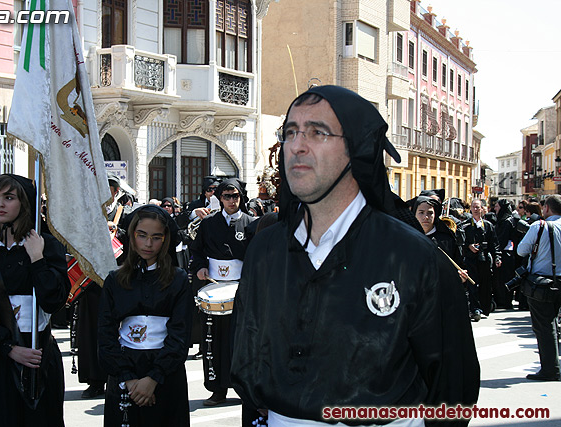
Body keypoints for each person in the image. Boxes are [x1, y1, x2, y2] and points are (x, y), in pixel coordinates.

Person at [231, 85, 479, 426]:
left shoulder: (413, 256)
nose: (297, 145)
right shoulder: (265, 249)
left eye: (318, 132)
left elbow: (453, 381)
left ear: (357, 148)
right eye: (290, 132)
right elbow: (247, 349)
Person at [0, 174, 68, 426]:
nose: (0, 204)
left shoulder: (46, 245)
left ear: (24, 204)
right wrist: (9, 349)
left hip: (40, 357)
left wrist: (37, 260)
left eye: (9, 198)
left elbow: (54, 301)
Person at [97, 205, 192, 426]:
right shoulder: (114, 279)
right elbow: (105, 334)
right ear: (131, 235)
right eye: (142, 236)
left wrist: (154, 378)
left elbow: (180, 335)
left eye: (156, 237)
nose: (148, 244)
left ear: (166, 239)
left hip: (166, 373)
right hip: (125, 369)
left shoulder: (178, 280)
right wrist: (128, 378)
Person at [190, 178, 255, 406]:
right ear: (219, 198)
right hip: (214, 287)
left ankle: (243, 387)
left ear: (241, 197)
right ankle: (217, 388)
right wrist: (199, 268)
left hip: (242, 290)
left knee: (241, 341)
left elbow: (257, 257)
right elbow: (196, 252)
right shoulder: (208, 224)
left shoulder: (251, 223)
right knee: (213, 341)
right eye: (226, 196)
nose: (231, 201)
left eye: (235, 196)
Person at [516, 195, 561, 381]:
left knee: (544, 326)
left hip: (542, 282)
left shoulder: (540, 226)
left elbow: (521, 250)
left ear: (547, 209)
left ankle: (550, 369)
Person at [461, 199, 502, 320]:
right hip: (470, 260)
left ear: (482, 209)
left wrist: (497, 257)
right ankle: (475, 309)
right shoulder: (466, 226)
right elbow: (461, 243)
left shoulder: (488, 225)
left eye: (477, 207)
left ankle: (485, 307)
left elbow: (494, 243)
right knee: (472, 285)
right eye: (473, 207)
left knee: (485, 285)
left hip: (484, 260)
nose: (475, 209)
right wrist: (469, 246)